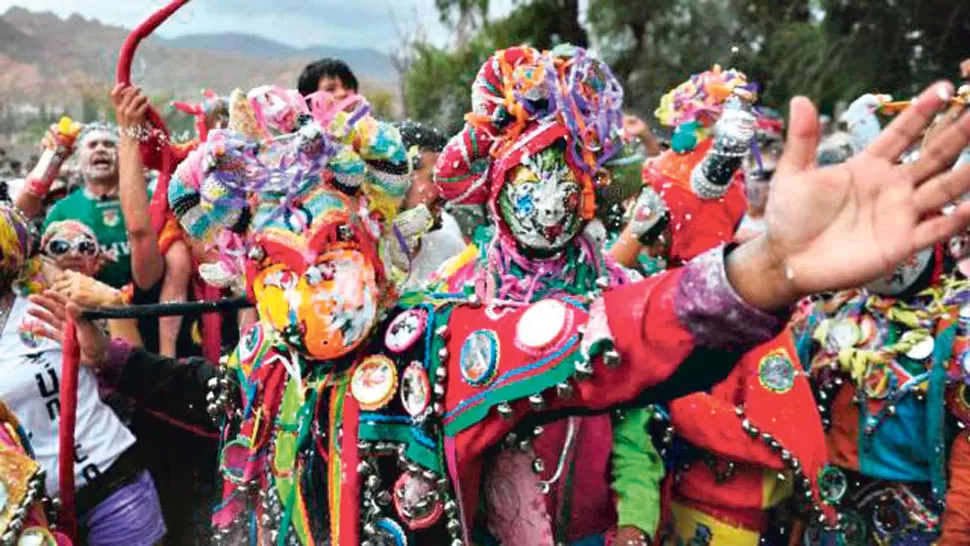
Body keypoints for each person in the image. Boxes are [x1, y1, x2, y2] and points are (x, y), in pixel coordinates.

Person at [27, 66, 970, 546]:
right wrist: (111, 362)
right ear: (250, 268)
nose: (319, 275)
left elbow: (609, 339)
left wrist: (766, 269)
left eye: (340, 242)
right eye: (284, 256)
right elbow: (208, 396)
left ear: (380, 238)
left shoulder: (430, 346)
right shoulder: (267, 369)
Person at [0, 204, 165, 546]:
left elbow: (128, 364)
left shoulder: (46, 298)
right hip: (28, 516)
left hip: (112, 489)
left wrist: (110, 307)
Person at [17, 122, 132, 290]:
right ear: (78, 159)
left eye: (109, 144)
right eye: (92, 145)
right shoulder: (62, 210)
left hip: (142, 307)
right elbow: (40, 261)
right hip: (80, 308)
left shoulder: (146, 201)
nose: (100, 149)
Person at [394, 120, 467, 289]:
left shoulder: (450, 251)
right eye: (434, 178)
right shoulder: (365, 265)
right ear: (399, 182)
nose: (445, 190)